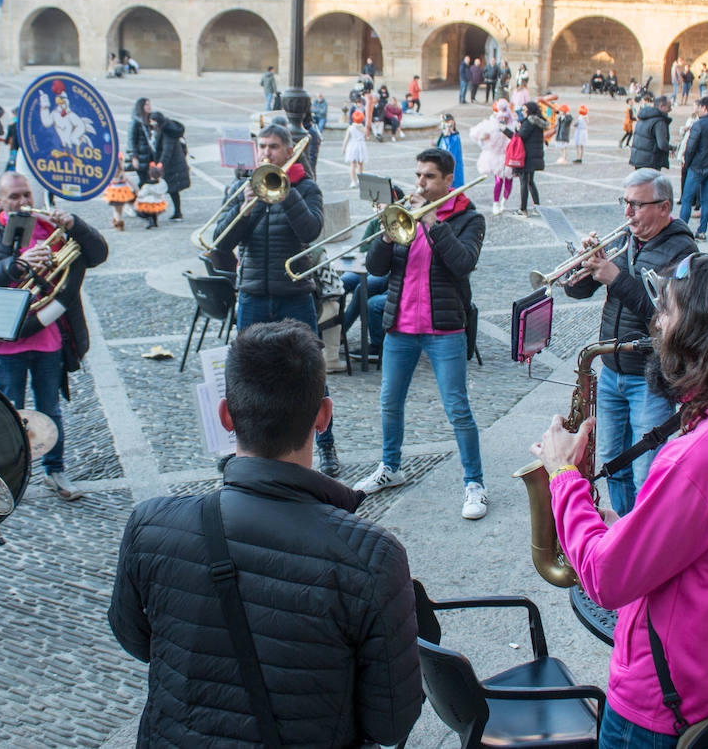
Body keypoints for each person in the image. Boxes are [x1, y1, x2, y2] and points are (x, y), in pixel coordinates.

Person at [533, 253, 708, 746]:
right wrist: (630, 526)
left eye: (669, 312)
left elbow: (604, 578)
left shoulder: (701, 453)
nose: (657, 323)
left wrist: (562, 475)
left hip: (664, 705)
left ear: (705, 334)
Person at [109, 320, 421, 748]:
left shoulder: (149, 525)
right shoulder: (373, 557)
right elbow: (390, 723)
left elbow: (137, 639)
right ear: (323, 417)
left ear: (225, 416)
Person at [355, 147, 489, 521]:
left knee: (458, 409)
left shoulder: (469, 219)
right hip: (401, 325)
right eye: (418, 176)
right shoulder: (405, 215)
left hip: (444, 328)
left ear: (448, 180)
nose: (420, 183)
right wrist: (385, 234)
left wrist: (434, 223)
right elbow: (375, 268)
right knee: (389, 401)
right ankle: (390, 466)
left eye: (429, 177)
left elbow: (463, 263)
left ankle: (474, 483)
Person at [0, 171, 109, 501]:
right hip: (7, 341)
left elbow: (97, 254)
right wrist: (14, 265)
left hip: (49, 339)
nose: (23, 202)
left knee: (50, 409)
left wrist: (75, 224)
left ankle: (55, 471)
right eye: (14, 197)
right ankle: (10, 476)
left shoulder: (50, 228)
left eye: (26, 194)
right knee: (9, 413)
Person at [566, 170, 697, 514]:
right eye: (625, 203)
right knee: (613, 462)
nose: (627, 213)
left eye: (637, 205)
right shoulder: (626, 240)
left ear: (664, 207)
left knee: (646, 469)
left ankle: (646, 543)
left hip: (649, 376)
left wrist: (617, 277)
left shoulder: (682, 250)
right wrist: (583, 265)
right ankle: (625, 530)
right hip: (611, 369)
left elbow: (665, 316)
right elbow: (577, 291)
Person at [213, 123, 339, 474]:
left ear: (288, 151)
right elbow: (220, 240)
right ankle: (243, 446)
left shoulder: (306, 188)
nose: (266, 153)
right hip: (253, 294)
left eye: (273, 147)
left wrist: (288, 195)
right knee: (244, 375)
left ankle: (325, 446)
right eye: (262, 147)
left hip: (294, 296)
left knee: (312, 374)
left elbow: (311, 231)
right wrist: (245, 208)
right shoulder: (243, 187)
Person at [678, 95, 708, 240]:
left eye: (699, 107)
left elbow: (691, 147)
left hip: (697, 167)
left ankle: (682, 230)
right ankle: (702, 231)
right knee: (707, 201)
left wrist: (687, 163)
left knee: (687, 199)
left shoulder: (698, 124)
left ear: (704, 108)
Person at [471, 101, 514, 215]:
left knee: (509, 181)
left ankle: (504, 201)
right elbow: (479, 136)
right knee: (499, 180)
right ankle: (496, 203)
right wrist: (483, 138)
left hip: (510, 157)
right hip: (498, 157)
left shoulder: (512, 125)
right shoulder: (493, 125)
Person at [150, 110, 189, 222]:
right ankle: (175, 212)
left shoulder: (167, 132)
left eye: (153, 123)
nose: (152, 126)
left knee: (173, 189)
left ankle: (177, 212)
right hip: (172, 165)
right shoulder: (166, 129)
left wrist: (160, 166)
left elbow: (167, 151)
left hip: (173, 166)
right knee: (172, 189)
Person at [516, 101, 547, 215]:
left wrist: (508, 130)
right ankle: (537, 207)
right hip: (534, 156)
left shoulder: (529, 122)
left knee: (524, 182)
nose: (522, 112)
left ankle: (523, 209)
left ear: (529, 111)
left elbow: (521, 136)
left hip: (527, 156)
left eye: (524, 110)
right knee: (530, 182)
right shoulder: (537, 122)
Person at [629, 94, 673, 171]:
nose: (670, 110)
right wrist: (671, 148)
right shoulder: (659, 121)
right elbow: (662, 144)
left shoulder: (643, 116)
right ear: (661, 106)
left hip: (638, 159)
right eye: (669, 107)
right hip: (650, 161)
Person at [437, 113, 465, 189]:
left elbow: (449, 148)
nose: (447, 124)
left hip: (454, 161)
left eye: (449, 121)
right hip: (444, 161)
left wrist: (447, 134)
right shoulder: (445, 134)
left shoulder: (455, 136)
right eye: (446, 122)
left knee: (455, 178)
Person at [343, 108, 368, 189]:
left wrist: (344, 147)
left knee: (353, 165)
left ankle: (353, 181)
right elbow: (367, 137)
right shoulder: (363, 128)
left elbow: (346, 139)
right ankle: (360, 180)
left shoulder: (350, 128)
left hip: (352, 145)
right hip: (360, 146)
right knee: (360, 164)